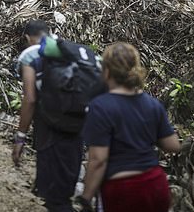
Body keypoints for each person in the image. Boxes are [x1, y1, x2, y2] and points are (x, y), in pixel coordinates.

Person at [77, 42, 181, 212]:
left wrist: (86, 198)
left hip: (122, 189)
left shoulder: (100, 106)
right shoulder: (152, 104)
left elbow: (98, 160)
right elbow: (173, 145)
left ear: (107, 71)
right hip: (156, 184)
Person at [12, 20, 83, 212]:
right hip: (77, 127)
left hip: (50, 131)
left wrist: (20, 138)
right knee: (65, 190)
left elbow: (30, 99)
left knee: (56, 200)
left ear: (27, 38)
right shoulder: (71, 50)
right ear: (50, 33)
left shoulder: (30, 55)